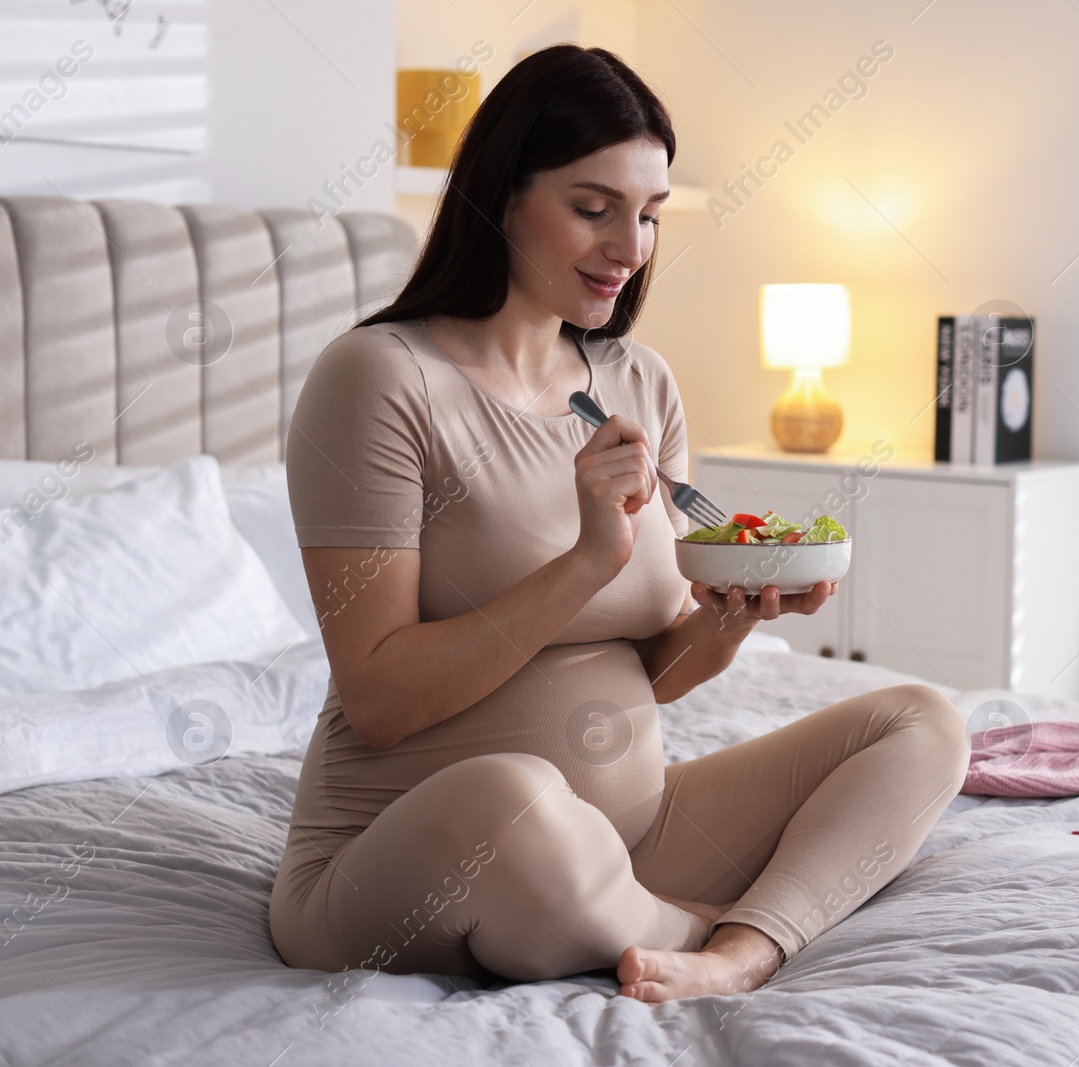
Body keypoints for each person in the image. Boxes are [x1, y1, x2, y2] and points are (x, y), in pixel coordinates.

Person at [267, 44, 970, 1003]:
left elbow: (655, 670)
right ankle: (717, 925)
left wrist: (730, 618)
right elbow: (380, 698)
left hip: (633, 836)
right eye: (593, 209)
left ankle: (735, 953)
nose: (630, 247)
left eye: (647, 215)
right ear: (501, 195)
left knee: (921, 719)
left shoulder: (639, 382)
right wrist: (589, 558)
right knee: (514, 800)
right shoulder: (382, 379)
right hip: (416, 850)